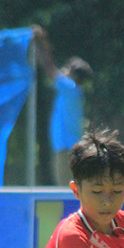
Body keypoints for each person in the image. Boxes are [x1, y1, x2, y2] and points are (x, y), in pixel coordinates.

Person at [31, 25, 94, 186]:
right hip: (67, 148)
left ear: (74, 75)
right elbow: (52, 66)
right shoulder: (72, 91)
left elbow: (49, 67)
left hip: (66, 149)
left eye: (68, 68)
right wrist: (42, 40)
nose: (64, 70)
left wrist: (37, 42)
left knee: (65, 189)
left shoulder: (70, 89)